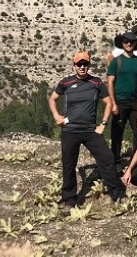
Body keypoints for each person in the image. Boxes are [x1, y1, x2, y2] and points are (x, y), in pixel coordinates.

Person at [48, 51, 126, 208]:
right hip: (70, 130)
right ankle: (69, 199)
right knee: (69, 164)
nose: (82, 67)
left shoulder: (96, 83)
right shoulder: (66, 83)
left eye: (85, 64)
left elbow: (109, 103)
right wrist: (57, 116)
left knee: (107, 158)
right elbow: (52, 99)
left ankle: (117, 194)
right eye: (79, 64)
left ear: (89, 65)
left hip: (90, 130)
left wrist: (103, 124)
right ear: (74, 66)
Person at [107, 31, 137, 161]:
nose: (129, 44)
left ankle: (135, 161)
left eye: (132, 42)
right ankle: (115, 162)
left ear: (135, 43)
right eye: (126, 41)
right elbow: (110, 83)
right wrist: (113, 103)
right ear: (122, 44)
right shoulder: (116, 62)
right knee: (117, 134)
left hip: (135, 102)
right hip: (120, 102)